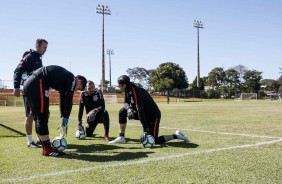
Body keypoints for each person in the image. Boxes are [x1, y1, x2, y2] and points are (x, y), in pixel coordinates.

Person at [23, 65, 87, 157]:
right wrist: (66, 120)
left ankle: (45, 146)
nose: (76, 90)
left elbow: (62, 100)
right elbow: (69, 100)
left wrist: (63, 117)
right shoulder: (72, 79)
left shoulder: (66, 79)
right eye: (78, 88)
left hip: (33, 83)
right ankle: (47, 149)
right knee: (42, 116)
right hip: (37, 83)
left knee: (39, 117)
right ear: (79, 81)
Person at [109, 75, 189, 145]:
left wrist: (146, 130)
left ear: (124, 85)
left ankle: (177, 135)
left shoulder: (136, 91)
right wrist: (129, 109)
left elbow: (140, 110)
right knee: (122, 111)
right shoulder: (127, 90)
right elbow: (126, 103)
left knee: (155, 140)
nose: (118, 86)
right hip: (143, 113)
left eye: (119, 85)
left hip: (153, 116)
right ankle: (121, 137)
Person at [13, 38, 48, 148]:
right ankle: (30, 141)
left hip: (38, 91)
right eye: (44, 47)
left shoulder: (38, 58)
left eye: (46, 48)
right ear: (37, 45)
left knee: (44, 114)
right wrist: (16, 87)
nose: (45, 50)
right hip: (29, 91)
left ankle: (39, 139)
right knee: (31, 115)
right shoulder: (29, 57)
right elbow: (17, 70)